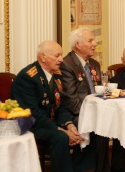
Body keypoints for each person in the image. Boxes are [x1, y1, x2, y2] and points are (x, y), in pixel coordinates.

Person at [10, 40, 84, 172]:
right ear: (43, 57)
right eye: (57, 56)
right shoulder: (27, 77)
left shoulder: (57, 75)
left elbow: (61, 105)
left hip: (48, 122)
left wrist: (69, 125)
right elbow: (32, 113)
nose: (61, 59)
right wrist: (60, 130)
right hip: (29, 124)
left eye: (61, 55)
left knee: (80, 129)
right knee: (61, 137)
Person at [60, 27, 110, 172]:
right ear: (77, 44)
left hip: (96, 111)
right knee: (100, 128)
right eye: (90, 41)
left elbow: (99, 90)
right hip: (76, 113)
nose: (94, 44)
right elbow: (71, 98)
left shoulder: (94, 64)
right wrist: (90, 115)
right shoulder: (67, 64)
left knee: (114, 123)